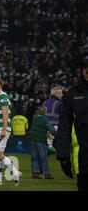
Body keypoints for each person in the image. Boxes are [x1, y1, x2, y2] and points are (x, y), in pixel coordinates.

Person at [55, 57, 88, 191]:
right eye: (85, 68)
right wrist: (63, 156)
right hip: (83, 160)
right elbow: (64, 126)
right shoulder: (72, 94)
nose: (87, 70)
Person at [0, 76, 22, 186]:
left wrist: (4, 130)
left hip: (2, 128)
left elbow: (5, 114)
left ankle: (16, 173)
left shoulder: (3, 96)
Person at [30, 106, 56, 179]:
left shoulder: (35, 119)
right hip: (41, 141)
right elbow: (51, 130)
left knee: (34, 157)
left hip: (33, 140)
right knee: (43, 158)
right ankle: (47, 174)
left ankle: (35, 173)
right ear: (45, 112)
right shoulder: (45, 120)